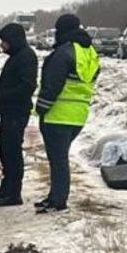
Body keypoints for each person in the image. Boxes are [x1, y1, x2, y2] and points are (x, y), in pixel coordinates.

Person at [34, 13, 99, 214]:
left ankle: (58, 201)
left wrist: (41, 107)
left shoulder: (63, 53)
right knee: (60, 159)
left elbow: (52, 84)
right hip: (78, 114)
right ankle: (55, 196)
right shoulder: (90, 53)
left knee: (58, 160)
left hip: (57, 114)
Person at [0, 21, 38, 206]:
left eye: (4, 41)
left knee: (13, 152)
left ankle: (14, 193)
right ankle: (6, 188)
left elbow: (28, 86)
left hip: (17, 112)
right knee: (5, 151)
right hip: (9, 112)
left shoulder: (26, 57)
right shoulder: (17, 56)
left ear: (13, 40)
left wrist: (6, 96)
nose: (2, 45)